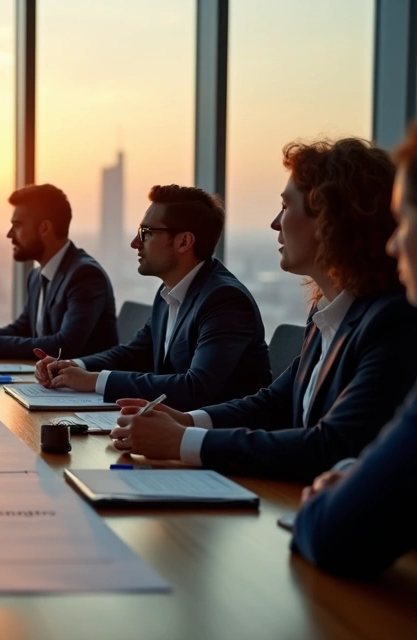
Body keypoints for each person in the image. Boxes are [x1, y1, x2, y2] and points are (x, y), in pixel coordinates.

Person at [109, 138, 417, 481]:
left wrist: (184, 441)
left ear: (329, 218)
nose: (275, 223)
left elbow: (333, 444)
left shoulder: (391, 321)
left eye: (286, 206)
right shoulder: (329, 312)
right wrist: (187, 421)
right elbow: (275, 402)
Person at [290, 123, 417, 577]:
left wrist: (341, 488)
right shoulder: (326, 311)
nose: (393, 242)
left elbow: (332, 532)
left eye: (405, 221)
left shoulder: (392, 321)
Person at [35, 185, 271, 411]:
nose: (135, 243)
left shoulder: (224, 300)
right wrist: (75, 366)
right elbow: (135, 353)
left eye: (145, 233)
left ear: (184, 242)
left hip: (216, 444)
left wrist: (95, 381)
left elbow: (195, 388)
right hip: (170, 431)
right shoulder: (168, 293)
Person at [0, 184, 118, 358]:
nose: (10, 234)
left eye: (17, 225)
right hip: (49, 381)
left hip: (82, 384)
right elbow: (24, 328)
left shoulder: (85, 275)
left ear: (44, 229)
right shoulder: (36, 276)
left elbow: (64, 346)